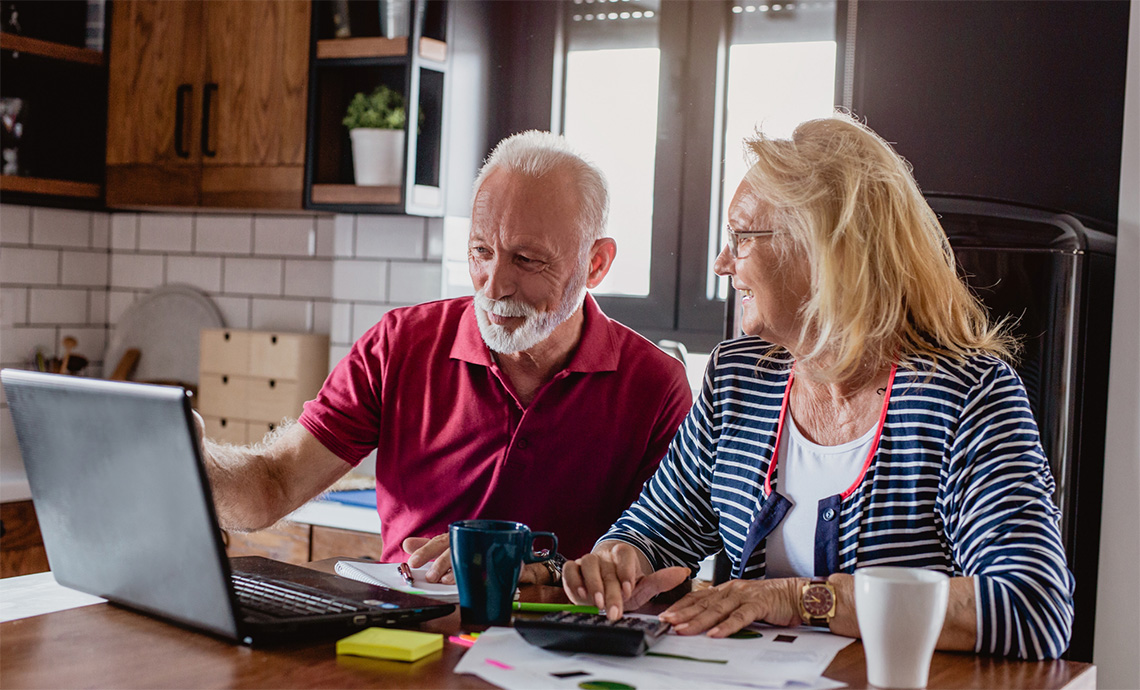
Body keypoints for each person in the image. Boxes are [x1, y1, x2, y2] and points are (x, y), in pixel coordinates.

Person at [562, 113, 1074, 660]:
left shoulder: (967, 395)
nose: (721, 262)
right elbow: (659, 528)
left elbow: (1033, 605)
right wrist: (621, 557)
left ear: (824, 249)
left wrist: (805, 600)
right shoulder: (739, 378)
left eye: (741, 237)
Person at [202, 131, 692, 585]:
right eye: (481, 251)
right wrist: (188, 459)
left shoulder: (656, 383)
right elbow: (274, 483)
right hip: (403, 639)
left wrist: (543, 568)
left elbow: (668, 562)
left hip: (557, 652)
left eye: (527, 260)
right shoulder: (399, 344)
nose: (495, 286)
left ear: (596, 263)